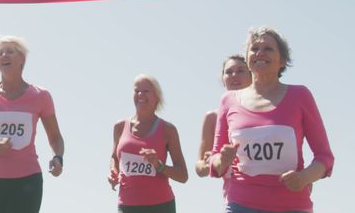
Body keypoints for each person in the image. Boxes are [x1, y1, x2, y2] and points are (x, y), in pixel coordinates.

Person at [210, 27, 334, 213]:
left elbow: (324, 157)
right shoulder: (228, 100)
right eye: (254, 49)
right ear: (248, 58)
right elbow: (215, 161)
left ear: (282, 61)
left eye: (268, 48)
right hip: (240, 204)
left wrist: (304, 178)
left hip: (291, 205)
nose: (259, 52)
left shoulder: (300, 95)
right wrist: (223, 159)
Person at [0, 36, 65, 213]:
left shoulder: (41, 96)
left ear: (22, 59)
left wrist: (58, 158)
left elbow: (56, 137)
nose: (4, 55)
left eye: (10, 51)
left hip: (27, 181)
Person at [107, 74, 188, 212]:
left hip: (161, 206)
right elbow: (114, 158)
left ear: (157, 97)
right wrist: (113, 172)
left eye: (146, 91)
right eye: (137, 91)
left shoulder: (168, 130)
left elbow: (183, 175)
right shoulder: (119, 127)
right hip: (127, 205)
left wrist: (159, 165)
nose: (140, 94)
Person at [195, 55, 252, 181]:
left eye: (240, 71)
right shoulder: (213, 117)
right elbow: (199, 168)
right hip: (235, 194)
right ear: (223, 79)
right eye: (229, 72)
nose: (234, 75)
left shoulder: (265, 110)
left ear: (252, 75)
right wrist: (214, 161)